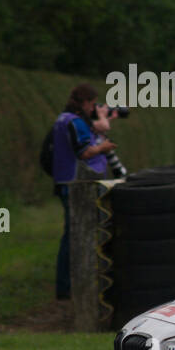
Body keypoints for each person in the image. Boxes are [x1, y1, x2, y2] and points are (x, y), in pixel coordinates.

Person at [52, 83, 115, 300]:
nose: (93, 108)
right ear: (85, 102)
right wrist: (103, 148)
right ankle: (67, 286)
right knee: (75, 236)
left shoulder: (63, 119)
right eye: (91, 104)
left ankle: (66, 286)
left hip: (63, 180)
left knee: (71, 234)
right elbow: (85, 152)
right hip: (75, 183)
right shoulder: (75, 121)